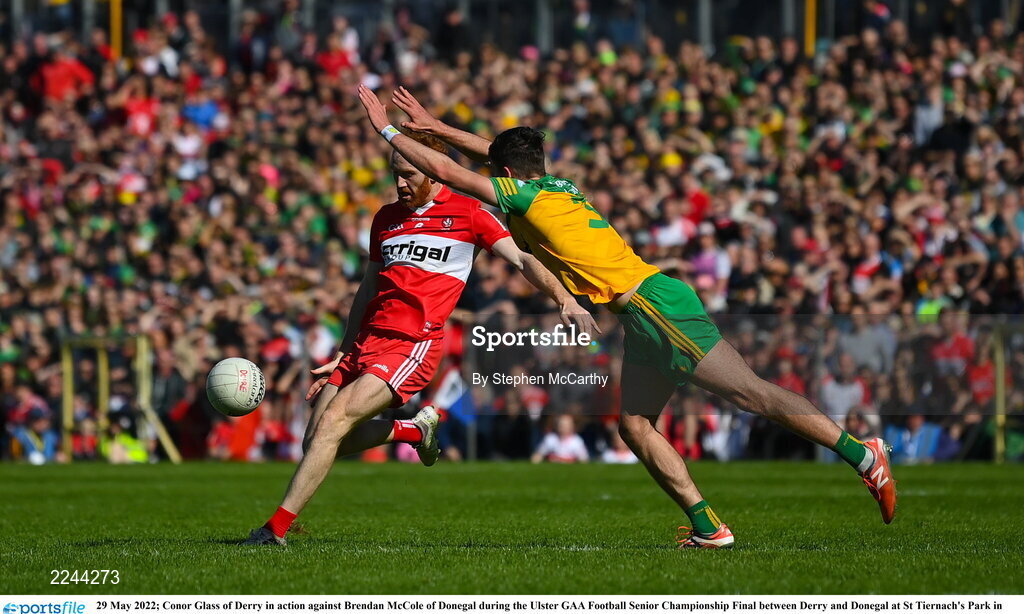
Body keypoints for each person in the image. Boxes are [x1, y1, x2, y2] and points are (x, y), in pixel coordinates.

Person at [358, 85, 898, 549]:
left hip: (653, 307)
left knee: (750, 394)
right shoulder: (555, 185)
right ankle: (709, 527)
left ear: (503, 174)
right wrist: (436, 125)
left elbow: (448, 170)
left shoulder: (524, 199)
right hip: (642, 312)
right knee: (635, 426)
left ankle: (861, 453)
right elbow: (484, 154)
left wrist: (388, 130)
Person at [244, 130, 598, 545]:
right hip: (365, 342)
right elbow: (367, 287)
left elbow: (522, 258)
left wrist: (563, 299)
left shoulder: (470, 214)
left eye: (409, 174)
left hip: (414, 343)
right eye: (395, 174)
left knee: (333, 425)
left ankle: (275, 530)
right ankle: (413, 431)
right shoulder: (385, 218)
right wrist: (343, 350)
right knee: (315, 440)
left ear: (433, 173)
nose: (400, 184)